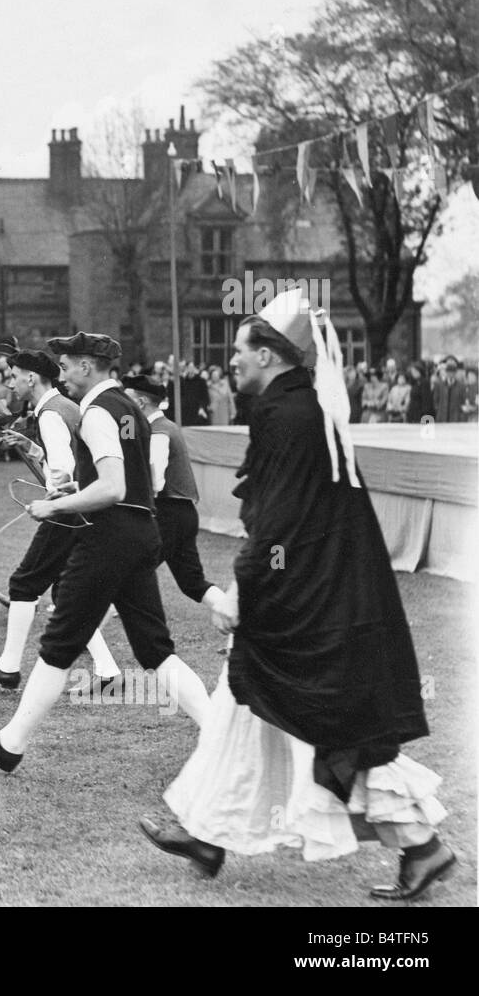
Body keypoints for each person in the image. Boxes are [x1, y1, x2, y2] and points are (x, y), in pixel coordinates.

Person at [139, 293, 453, 901]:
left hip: (308, 599)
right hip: (317, 590)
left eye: (237, 350)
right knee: (246, 700)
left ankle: (423, 844)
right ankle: (208, 834)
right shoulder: (296, 408)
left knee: (332, 723)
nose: (230, 360)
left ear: (265, 354)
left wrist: (240, 588)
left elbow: (278, 524)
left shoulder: (287, 417)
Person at [0, 334, 210, 773]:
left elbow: (112, 487)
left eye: (69, 366)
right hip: (140, 531)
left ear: (87, 367)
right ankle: (219, 733)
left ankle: (10, 742)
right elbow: (132, 480)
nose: (64, 375)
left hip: (108, 538)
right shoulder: (130, 408)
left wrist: (54, 504)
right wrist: (79, 487)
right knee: (154, 650)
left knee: (59, 641)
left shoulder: (96, 411)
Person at [0, 349, 120, 691]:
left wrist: (51, 504)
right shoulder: (63, 407)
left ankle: (8, 667)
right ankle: (108, 672)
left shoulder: (49, 413)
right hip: (83, 510)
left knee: (23, 583)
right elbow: (69, 456)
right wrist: (30, 447)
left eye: (14, 375)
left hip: (67, 511)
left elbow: (63, 468)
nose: (11, 383)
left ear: (31, 378)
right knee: (67, 594)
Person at [123, 376, 227, 612]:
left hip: (169, 514)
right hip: (181, 514)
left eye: (126, 398)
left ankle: (88, 638)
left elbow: (155, 480)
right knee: (193, 583)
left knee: (128, 574)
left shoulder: (159, 431)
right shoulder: (163, 427)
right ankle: (239, 621)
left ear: (140, 402)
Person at [432, 357, 465, 422]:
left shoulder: (461, 385)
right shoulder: (439, 384)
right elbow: (435, 399)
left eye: (452, 372)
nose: (450, 374)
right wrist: (438, 409)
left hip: (455, 416)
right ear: (446, 373)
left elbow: (462, 399)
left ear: (455, 373)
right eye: (449, 372)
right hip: (442, 415)